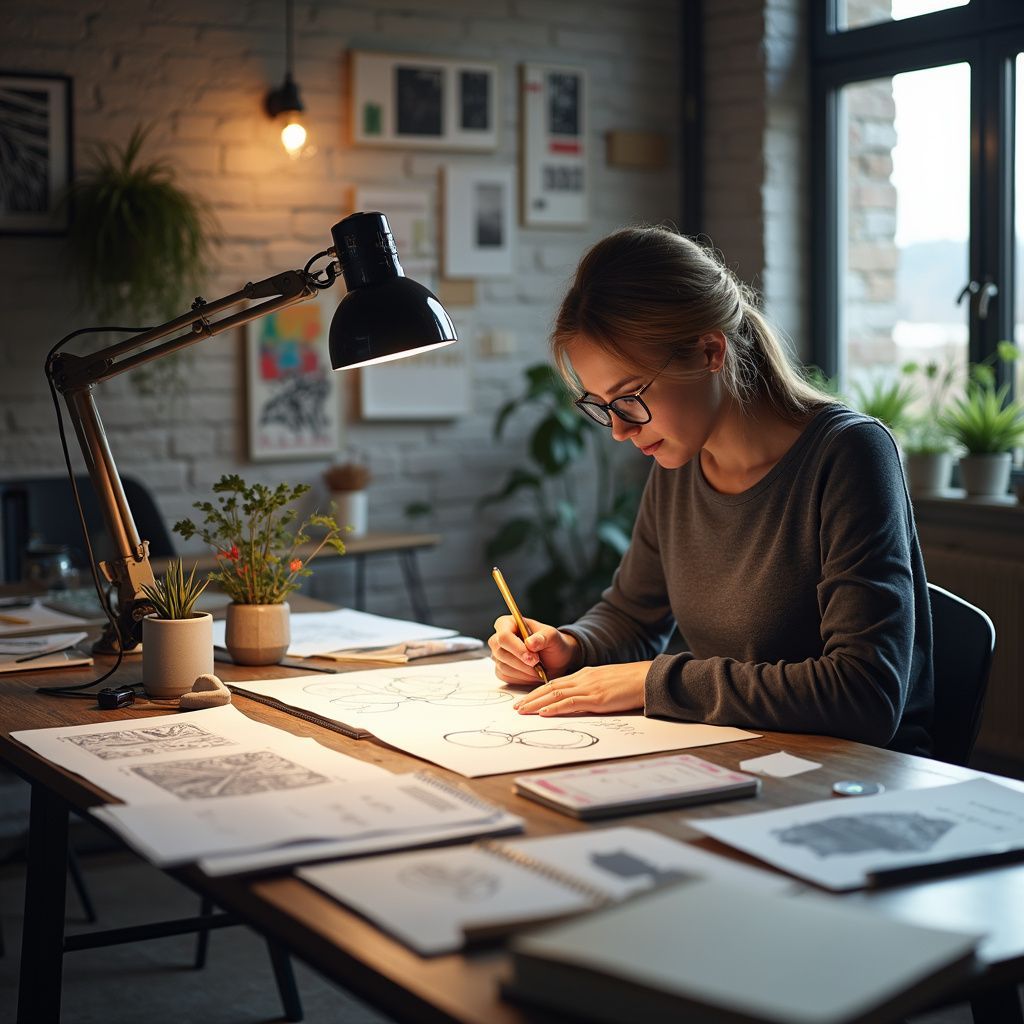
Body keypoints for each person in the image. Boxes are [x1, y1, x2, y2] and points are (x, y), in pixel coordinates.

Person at [487, 226, 932, 755]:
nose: (620, 430)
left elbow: (864, 693)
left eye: (629, 397)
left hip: (858, 778)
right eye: (601, 406)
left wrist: (655, 681)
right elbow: (632, 614)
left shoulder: (849, 454)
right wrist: (569, 645)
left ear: (708, 351)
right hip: (744, 755)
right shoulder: (678, 458)